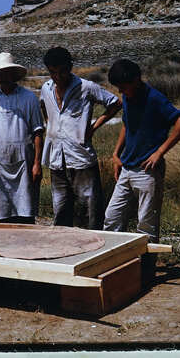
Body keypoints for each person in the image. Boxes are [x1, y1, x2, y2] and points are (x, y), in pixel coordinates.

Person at [103, 58, 180, 243]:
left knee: (146, 225)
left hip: (147, 171)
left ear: (136, 80)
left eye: (123, 86)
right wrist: (116, 154)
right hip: (127, 167)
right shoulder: (128, 96)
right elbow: (127, 125)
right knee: (112, 219)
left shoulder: (155, 98)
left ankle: (146, 269)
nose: (120, 91)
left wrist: (159, 153)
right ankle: (116, 265)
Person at [39, 46, 121, 230]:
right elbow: (44, 106)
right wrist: (51, 127)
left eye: (62, 72)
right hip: (56, 159)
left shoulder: (86, 87)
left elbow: (115, 103)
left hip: (81, 156)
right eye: (52, 72)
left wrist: (93, 127)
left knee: (90, 210)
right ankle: (64, 249)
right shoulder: (46, 88)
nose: (58, 77)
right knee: (60, 210)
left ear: (70, 67)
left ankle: (94, 251)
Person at [0, 53, 44, 224]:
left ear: (14, 74)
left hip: (24, 162)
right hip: (0, 162)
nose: (4, 77)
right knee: (3, 211)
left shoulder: (29, 98)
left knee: (25, 210)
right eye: (0, 73)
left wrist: (37, 163)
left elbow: (38, 132)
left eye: (7, 72)